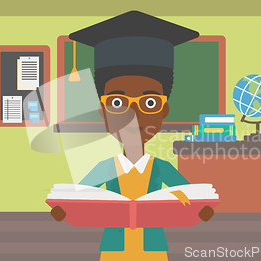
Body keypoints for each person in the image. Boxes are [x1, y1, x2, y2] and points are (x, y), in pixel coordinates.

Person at [50, 11, 214, 261]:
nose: (132, 116)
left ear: (164, 111)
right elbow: (78, 197)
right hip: (114, 249)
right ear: (102, 112)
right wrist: (62, 209)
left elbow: (191, 197)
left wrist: (202, 210)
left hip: (154, 249)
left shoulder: (162, 169)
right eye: (118, 102)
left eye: (149, 102)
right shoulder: (105, 169)